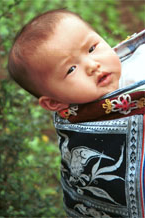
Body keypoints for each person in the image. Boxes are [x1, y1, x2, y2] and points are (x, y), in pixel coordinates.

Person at [8, 9, 145, 218]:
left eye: (91, 48)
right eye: (71, 69)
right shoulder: (81, 129)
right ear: (55, 102)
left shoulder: (139, 61)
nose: (92, 65)